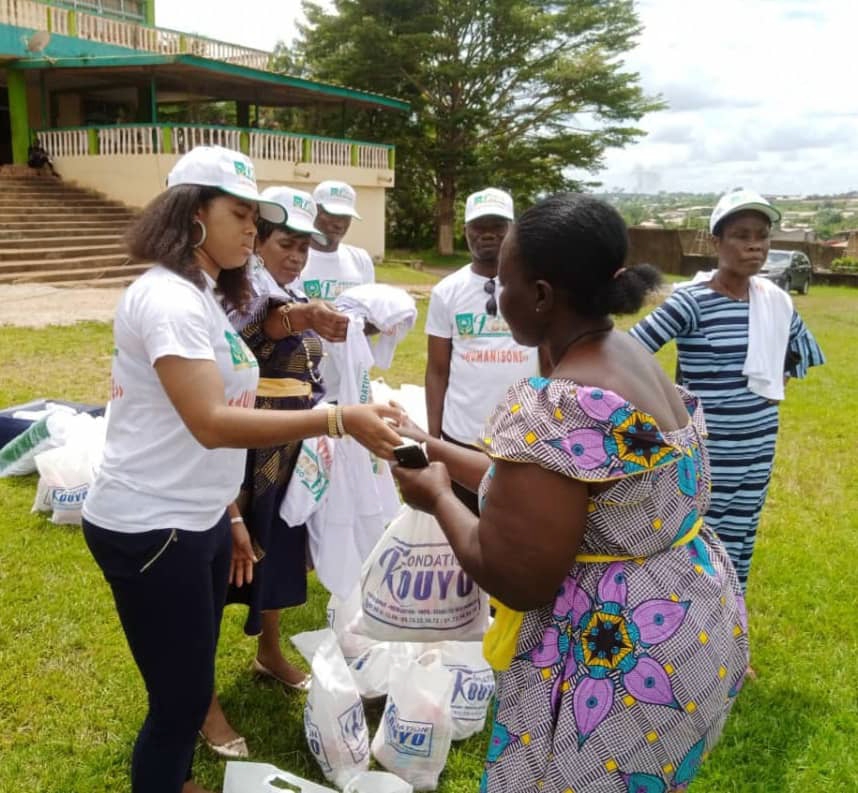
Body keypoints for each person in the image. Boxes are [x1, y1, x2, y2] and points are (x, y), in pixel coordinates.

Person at [393, 193, 749, 793]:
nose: (493, 295)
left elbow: (517, 576)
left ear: (540, 295)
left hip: (613, 652)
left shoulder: (558, 404)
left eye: (502, 283)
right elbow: (563, 491)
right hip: (684, 622)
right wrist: (434, 448)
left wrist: (436, 499)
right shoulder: (627, 355)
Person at [80, 146, 403, 793]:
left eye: (256, 216)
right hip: (149, 524)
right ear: (190, 213)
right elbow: (211, 420)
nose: (252, 229)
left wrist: (226, 514)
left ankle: (174, 781)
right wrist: (336, 419)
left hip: (193, 515)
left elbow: (233, 402)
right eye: (240, 214)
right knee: (177, 703)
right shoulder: (166, 298)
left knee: (193, 679)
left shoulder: (207, 295)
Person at [200, 186, 350, 758]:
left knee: (280, 555)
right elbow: (265, 329)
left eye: (304, 247)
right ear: (256, 240)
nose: (297, 255)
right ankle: (201, 693)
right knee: (219, 575)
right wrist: (304, 316)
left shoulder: (281, 288)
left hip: (287, 453)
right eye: (285, 243)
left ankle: (269, 650)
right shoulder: (236, 295)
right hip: (241, 456)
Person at [630, 189, 824, 592]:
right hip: (709, 450)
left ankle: (731, 624)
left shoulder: (775, 301)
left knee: (742, 536)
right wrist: (669, 406)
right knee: (700, 539)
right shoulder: (692, 302)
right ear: (716, 242)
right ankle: (692, 630)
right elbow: (629, 353)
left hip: (758, 444)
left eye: (762, 234)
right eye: (740, 234)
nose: (754, 243)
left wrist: (767, 388)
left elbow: (796, 354)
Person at [424, 188, 537, 514]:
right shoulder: (447, 291)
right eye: (478, 226)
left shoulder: (534, 287)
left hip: (523, 433)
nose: (487, 234)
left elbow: (548, 355)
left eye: (498, 226)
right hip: (463, 435)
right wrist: (435, 440)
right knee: (466, 527)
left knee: (520, 524)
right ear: (465, 232)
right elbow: (437, 369)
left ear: (512, 231)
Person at [296, 180, 375, 301]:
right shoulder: (294, 258)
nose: (339, 224)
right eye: (332, 214)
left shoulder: (360, 259)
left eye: (345, 216)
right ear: (314, 211)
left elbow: (369, 308)